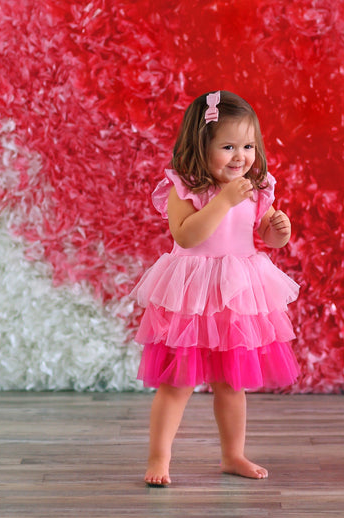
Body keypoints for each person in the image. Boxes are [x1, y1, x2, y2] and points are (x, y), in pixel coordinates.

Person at [131, 90, 300, 486]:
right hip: (191, 295)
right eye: (227, 146)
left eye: (247, 146)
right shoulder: (183, 189)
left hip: (235, 296)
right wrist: (222, 201)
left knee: (231, 384)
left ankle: (233, 455)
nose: (240, 157)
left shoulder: (254, 189)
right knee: (177, 384)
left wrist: (279, 231)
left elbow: (265, 235)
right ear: (200, 146)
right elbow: (187, 236)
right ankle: (159, 458)